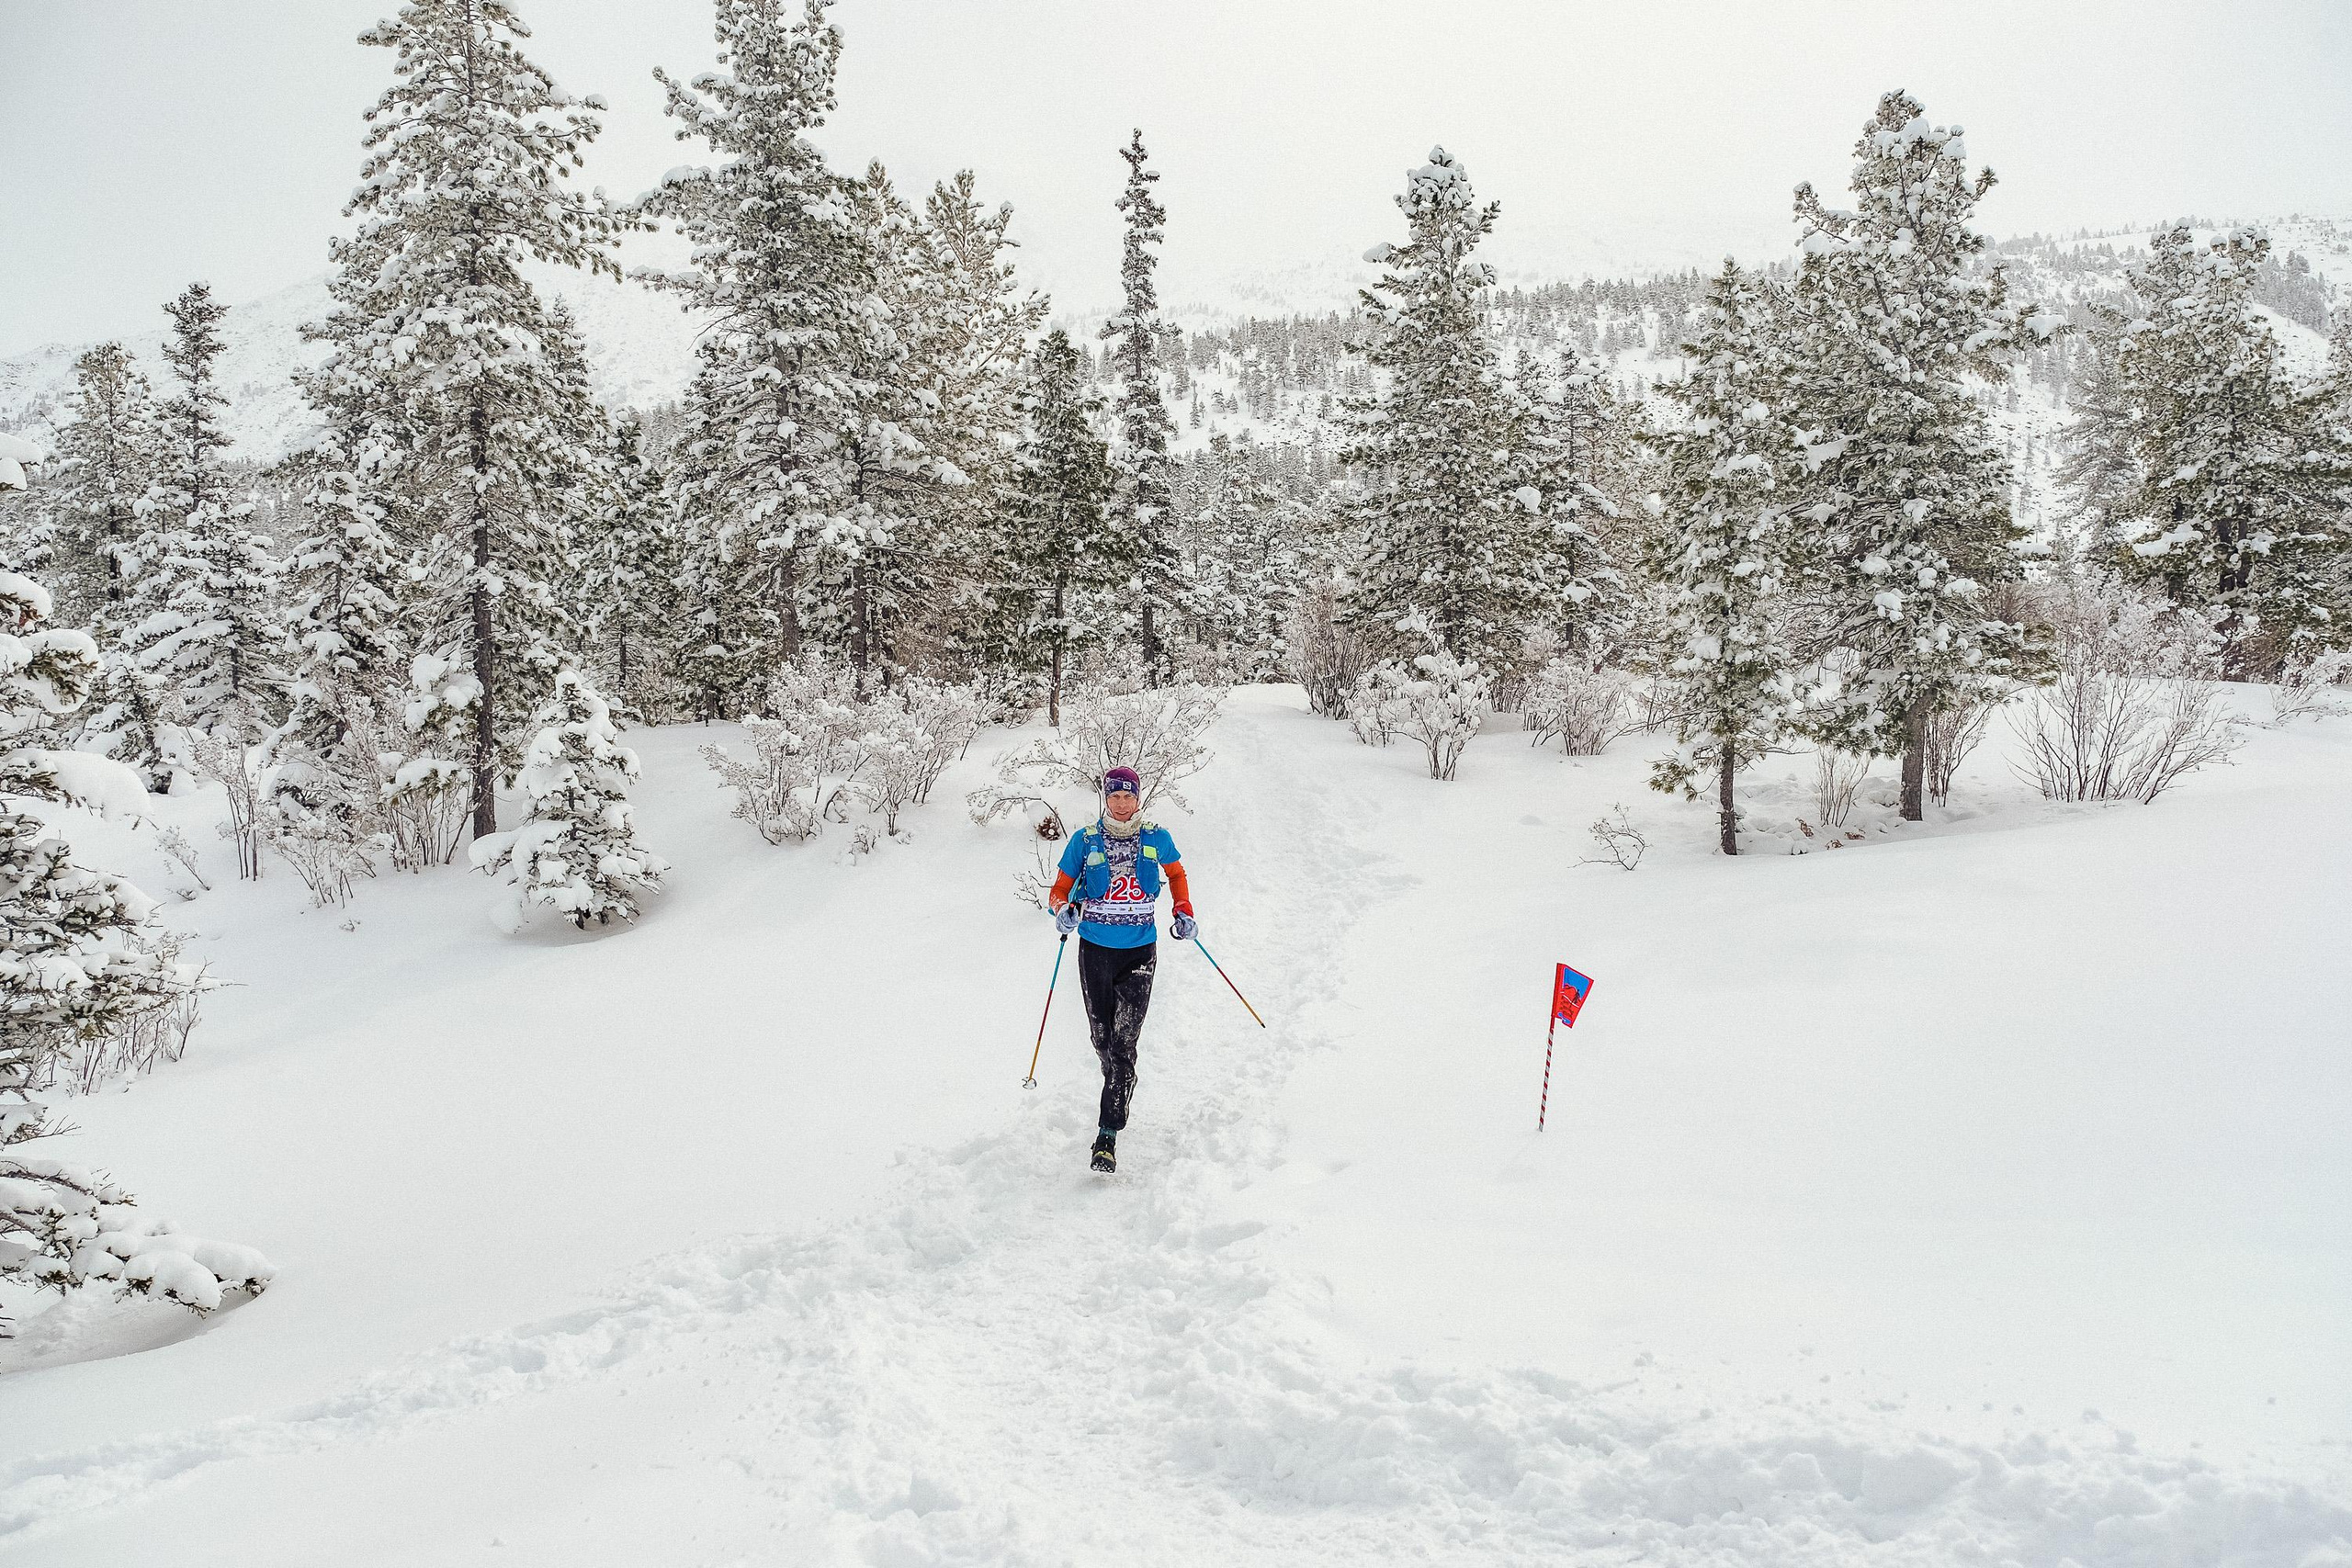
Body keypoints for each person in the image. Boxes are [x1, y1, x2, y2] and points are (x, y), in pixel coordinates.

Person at [1048, 765, 1195, 1173]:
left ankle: (1107, 1136)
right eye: (1114, 796)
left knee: (1122, 1043)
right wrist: (1063, 911)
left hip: (1139, 953)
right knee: (1102, 1038)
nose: (1122, 803)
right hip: (1095, 950)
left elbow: (1176, 874)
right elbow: (1059, 890)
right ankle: (1119, 1078)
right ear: (1105, 798)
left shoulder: (1156, 837)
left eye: (1128, 795)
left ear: (1138, 797)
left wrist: (1183, 910)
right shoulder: (1085, 840)